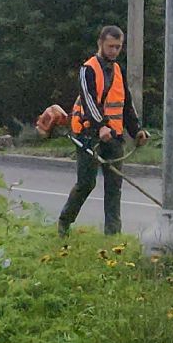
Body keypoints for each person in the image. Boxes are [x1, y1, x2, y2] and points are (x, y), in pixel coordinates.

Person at [57, 25, 147, 237]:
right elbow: (89, 102)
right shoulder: (87, 69)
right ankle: (64, 222)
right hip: (89, 137)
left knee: (114, 187)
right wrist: (101, 126)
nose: (114, 51)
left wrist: (136, 132)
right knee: (86, 183)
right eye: (111, 46)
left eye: (118, 47)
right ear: (100, 44)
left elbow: (126, 105)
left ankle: (112, 234)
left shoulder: (118, 70)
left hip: (114, 138)